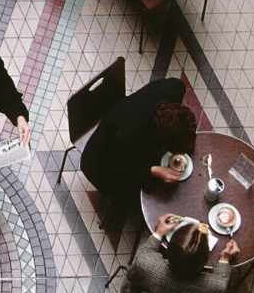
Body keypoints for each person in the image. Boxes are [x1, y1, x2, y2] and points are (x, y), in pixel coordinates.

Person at [79, 78, 195, 209]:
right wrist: (154, 170)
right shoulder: (129, 136)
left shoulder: (174, 88)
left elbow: (178, 85)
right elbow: (123, 169)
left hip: (120, 125)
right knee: (145, 192)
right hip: (99, 162)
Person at [122, 214, 239, 293]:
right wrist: (225, 258)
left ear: (168, 250)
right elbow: (221, 279)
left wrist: (158, 233)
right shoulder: (215, 287)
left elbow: (145, 251)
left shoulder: (144, 262)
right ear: (205, 260)